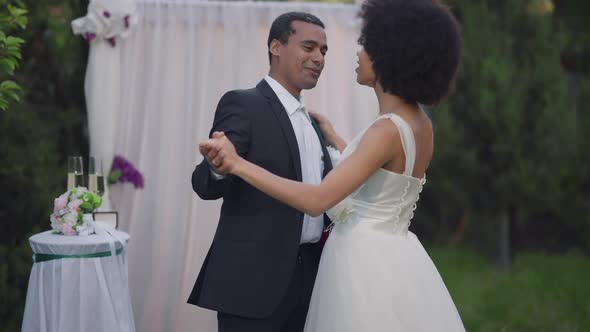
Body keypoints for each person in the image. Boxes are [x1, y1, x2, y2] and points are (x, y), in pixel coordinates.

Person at [199, 0, 466, 331]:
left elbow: (317, 200)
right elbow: (383, 175)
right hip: (394, 260)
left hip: (360, 268)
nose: (356, 53)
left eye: (367, 44)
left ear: (391, 53)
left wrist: (237, 164)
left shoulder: (385, 130)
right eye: (310, 47)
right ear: (276, 48)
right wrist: (337, 139)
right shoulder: (421, 126)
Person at [188, 12, 334, 332]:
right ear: (276, 47)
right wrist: (217, 168)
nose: (318, 58)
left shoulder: (313, 123)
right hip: (252, 285)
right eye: (308, 46)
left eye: (323, 51)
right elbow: (204, 184)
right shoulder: (244, 104)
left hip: (309, 281)